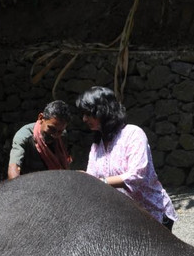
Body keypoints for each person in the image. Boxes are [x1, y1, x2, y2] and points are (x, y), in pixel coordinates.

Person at [75, 86, 177, 229]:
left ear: (103, 110)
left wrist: (100, 181)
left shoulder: (133, 134)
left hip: (152, 215)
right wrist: (83, 178)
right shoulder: (97, 145)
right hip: (123, 218)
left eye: (88, 113)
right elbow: (93, 178)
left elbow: (136, 175)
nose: (84, 119)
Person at [8, 100, 72, 179]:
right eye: (52, 129)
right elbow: (14, 168)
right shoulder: (24, 137)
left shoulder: (62, 136)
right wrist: (16, 184)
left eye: (60, 131)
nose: (55, 135)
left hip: (55, 180)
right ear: (41, 118)